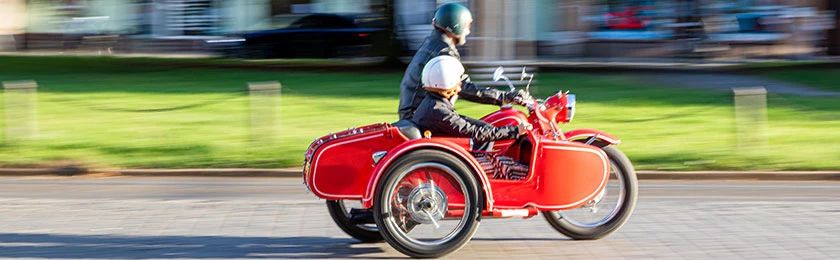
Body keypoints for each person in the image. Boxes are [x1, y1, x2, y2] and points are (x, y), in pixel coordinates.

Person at [397, 2, 530, 120]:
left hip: (419, 114)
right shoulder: (443, 52)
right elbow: (464, 88)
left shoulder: (433, 44)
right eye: (467, 26)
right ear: (456, 25)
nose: (468, 31)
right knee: (485, 135)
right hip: (422, 117)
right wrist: (505, 97)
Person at [412, 55, 530, 143]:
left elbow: (466, 124)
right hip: (452, 154)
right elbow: (474, 133)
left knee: (486, 127)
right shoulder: (438, 111)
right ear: (448, 82)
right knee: (485, 134)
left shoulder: (434, 103)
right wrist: (514, 131)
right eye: (458, 79)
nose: (461, 83)